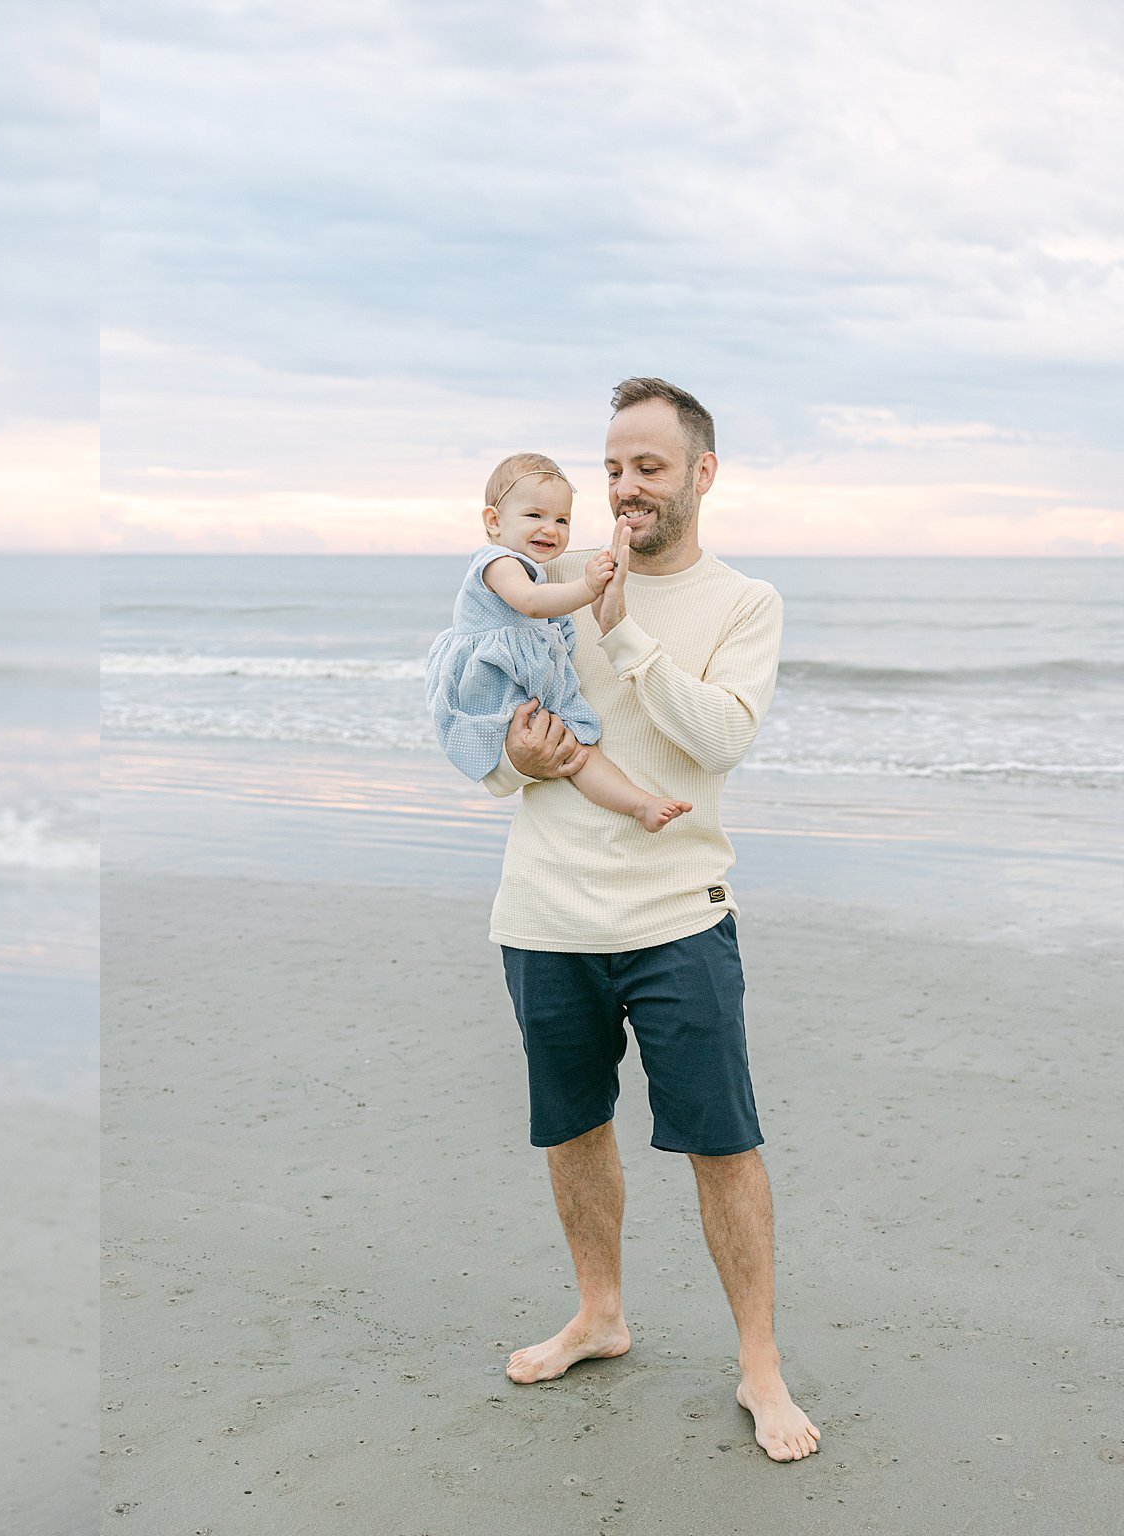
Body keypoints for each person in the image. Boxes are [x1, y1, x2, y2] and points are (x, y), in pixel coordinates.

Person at [482, 379, 818, 1462]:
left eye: (647, 467)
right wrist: (511, 761)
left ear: (700, 475)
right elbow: (481, 740)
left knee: (720, 1144)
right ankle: (598, 1316)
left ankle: (757, 1366)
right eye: (612, 467)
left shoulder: (742, 601)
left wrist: (621, 631)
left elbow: (718, 740)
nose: (623, 489)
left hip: (677, 915)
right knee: (572, 1129)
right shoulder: (535, 589)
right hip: (543, 914)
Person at [425, 452, 692, 831]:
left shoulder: (539, 570)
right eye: (535, 516)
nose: (551, 529)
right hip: (493, 680)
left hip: (525, 680)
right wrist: (587, 587)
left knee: (577, 750)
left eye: (562, 520)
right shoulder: (497, 562)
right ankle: (637, 803)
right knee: (565, 746)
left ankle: (640, 804)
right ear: (494, 521)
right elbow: (531, 604)